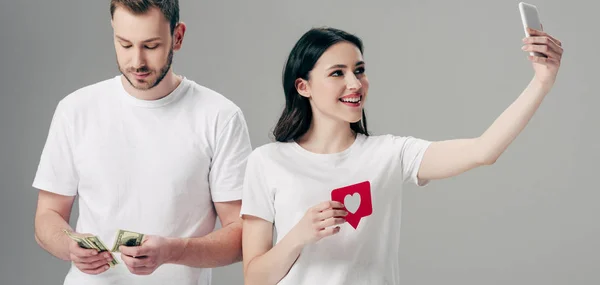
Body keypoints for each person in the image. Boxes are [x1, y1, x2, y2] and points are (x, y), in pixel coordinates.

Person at [240, 27, 563, 285]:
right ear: (303, 86)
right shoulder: (267, 161)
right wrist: (298, 236)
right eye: (337, 73)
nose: (355, 83)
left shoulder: (391, 153)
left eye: (360, 70)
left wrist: (541, 82)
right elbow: (255, 279)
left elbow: (484, 150)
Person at [32, 0, 252, 284]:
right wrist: (69, 246)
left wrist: (173, 251)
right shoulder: (75, 110)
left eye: (150, 46)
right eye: (124, 44)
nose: (137, 62)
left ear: (178, 37)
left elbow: (243, 233)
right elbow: (47, 216)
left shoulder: (220, 117)